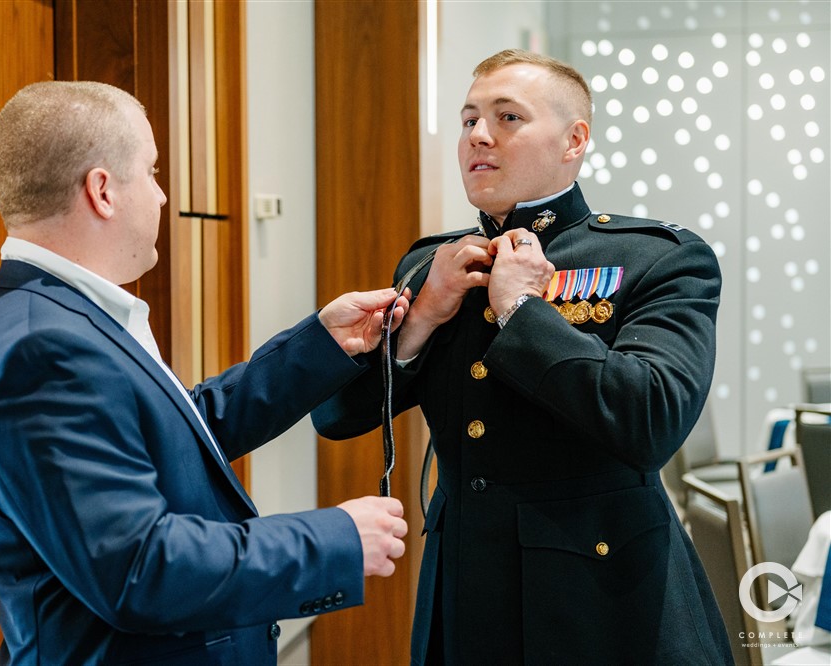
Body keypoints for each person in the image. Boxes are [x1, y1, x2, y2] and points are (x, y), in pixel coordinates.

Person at [0, 80, 410, 665]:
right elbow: (138, 569)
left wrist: (323, 345)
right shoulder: (41, 350)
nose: (163, 196)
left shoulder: (58, 316)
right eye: (153, 171)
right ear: (102, 191)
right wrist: (335, 540)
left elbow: (178, 435)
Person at [313, 49, 733, 664]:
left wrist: (522, 312)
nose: (479, 135)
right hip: (465, 591)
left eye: (508, 117)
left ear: (573, 140)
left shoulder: (659, 259)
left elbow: (650, 421)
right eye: (468, 120)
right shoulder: (433, 265)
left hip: (603, 598)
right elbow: (338, 417)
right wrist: (423, 316)